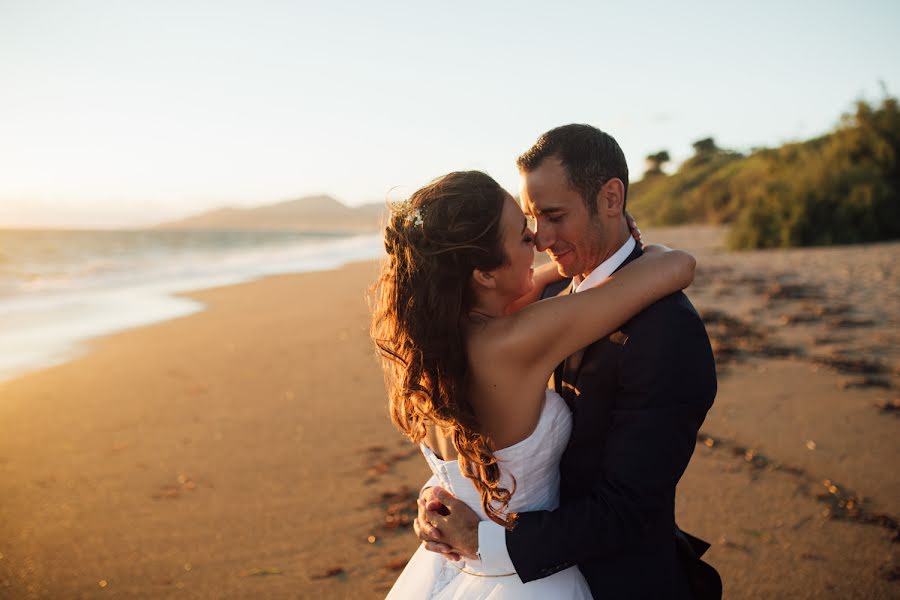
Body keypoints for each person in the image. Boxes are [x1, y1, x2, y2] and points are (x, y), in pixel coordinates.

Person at [413, 125, 722, 599]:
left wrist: (483, 539)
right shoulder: (542, 294)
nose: (539, 239)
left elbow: (628, 507)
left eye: (554, 216)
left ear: (612, 198)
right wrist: (449, 496)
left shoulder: (666, 329)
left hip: (616, 581)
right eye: (532, 220)